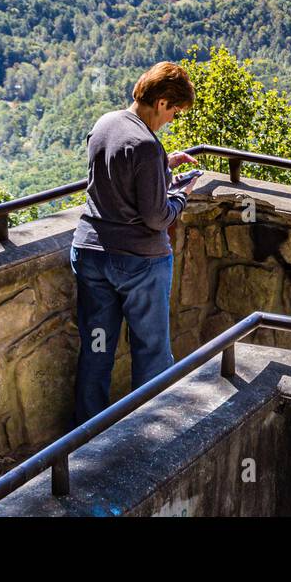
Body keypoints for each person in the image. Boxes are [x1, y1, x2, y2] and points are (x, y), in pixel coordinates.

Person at [70, 61, 201, 424]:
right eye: (175, 110)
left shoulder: (104, 124)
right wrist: (181, 196)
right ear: (161, 102)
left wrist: (164, 165)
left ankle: (86, 433)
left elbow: (116, 175)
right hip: (139, 262)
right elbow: (156, 217)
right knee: (151, 350)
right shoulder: (147, 145)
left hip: (90, 252)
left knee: (97, 347)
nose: (173, 119)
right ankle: (148, 430)